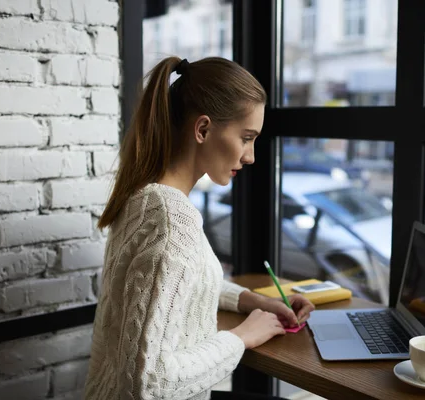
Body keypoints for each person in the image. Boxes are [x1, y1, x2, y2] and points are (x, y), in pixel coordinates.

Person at [84, 56, 315, 400]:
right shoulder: (171, 224)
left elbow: (178, 285)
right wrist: (242, 337)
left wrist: (252, 301)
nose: (250, 156)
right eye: (246, 137)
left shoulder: (145, 197)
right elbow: (149, 384)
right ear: (203, 129)